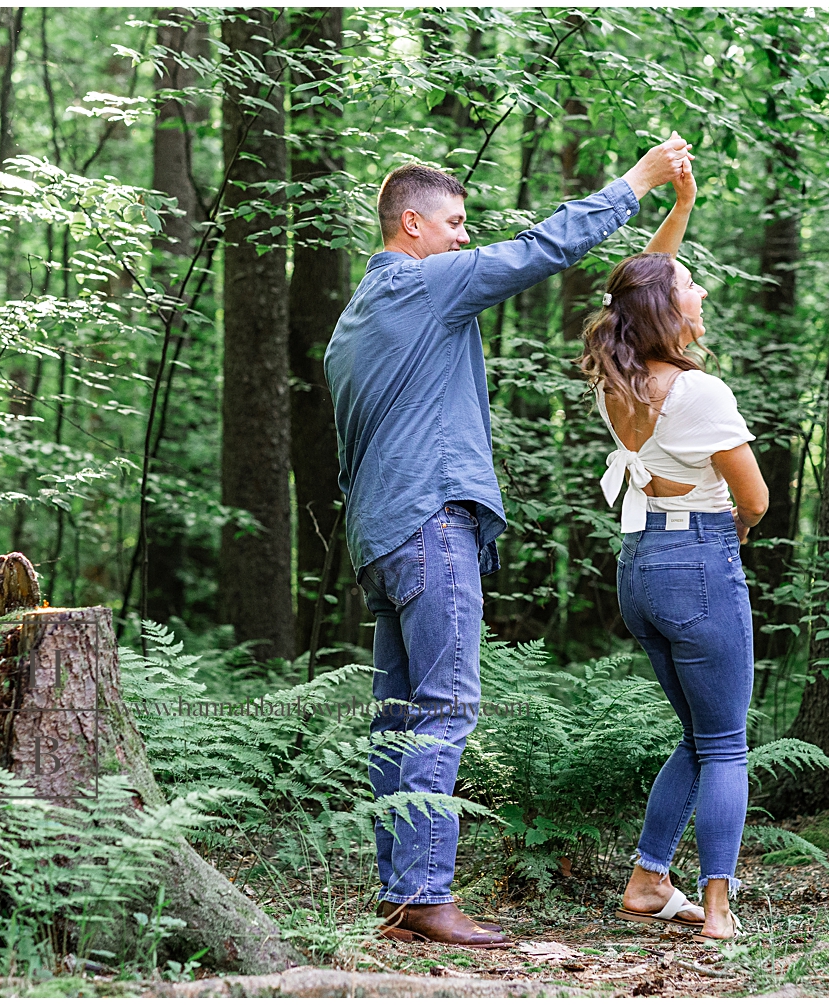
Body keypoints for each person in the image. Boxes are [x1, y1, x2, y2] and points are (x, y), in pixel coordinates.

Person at [324, 134, 695, 946]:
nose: (466, 237)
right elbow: (542, 249)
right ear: (411, 224)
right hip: (430, 523)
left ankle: (398, 890)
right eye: (455, 223)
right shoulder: (424, 286)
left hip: (381, 538)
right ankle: (424, 892)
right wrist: (638, 180)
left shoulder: (353, 322)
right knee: (445, 708)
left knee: (397, 717)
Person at [577, 164, 768, 943]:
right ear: (667, 311)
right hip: (699, 563)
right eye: (691, 286)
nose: (701, 295)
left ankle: (649, 879)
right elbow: (754, 499)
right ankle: (717, 907)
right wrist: (740, 531)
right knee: (725, 743)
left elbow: (637, 289)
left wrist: (682, 205)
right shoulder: (701, 393)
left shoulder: (614, 377)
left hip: (640, 568)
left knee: (699, 736)